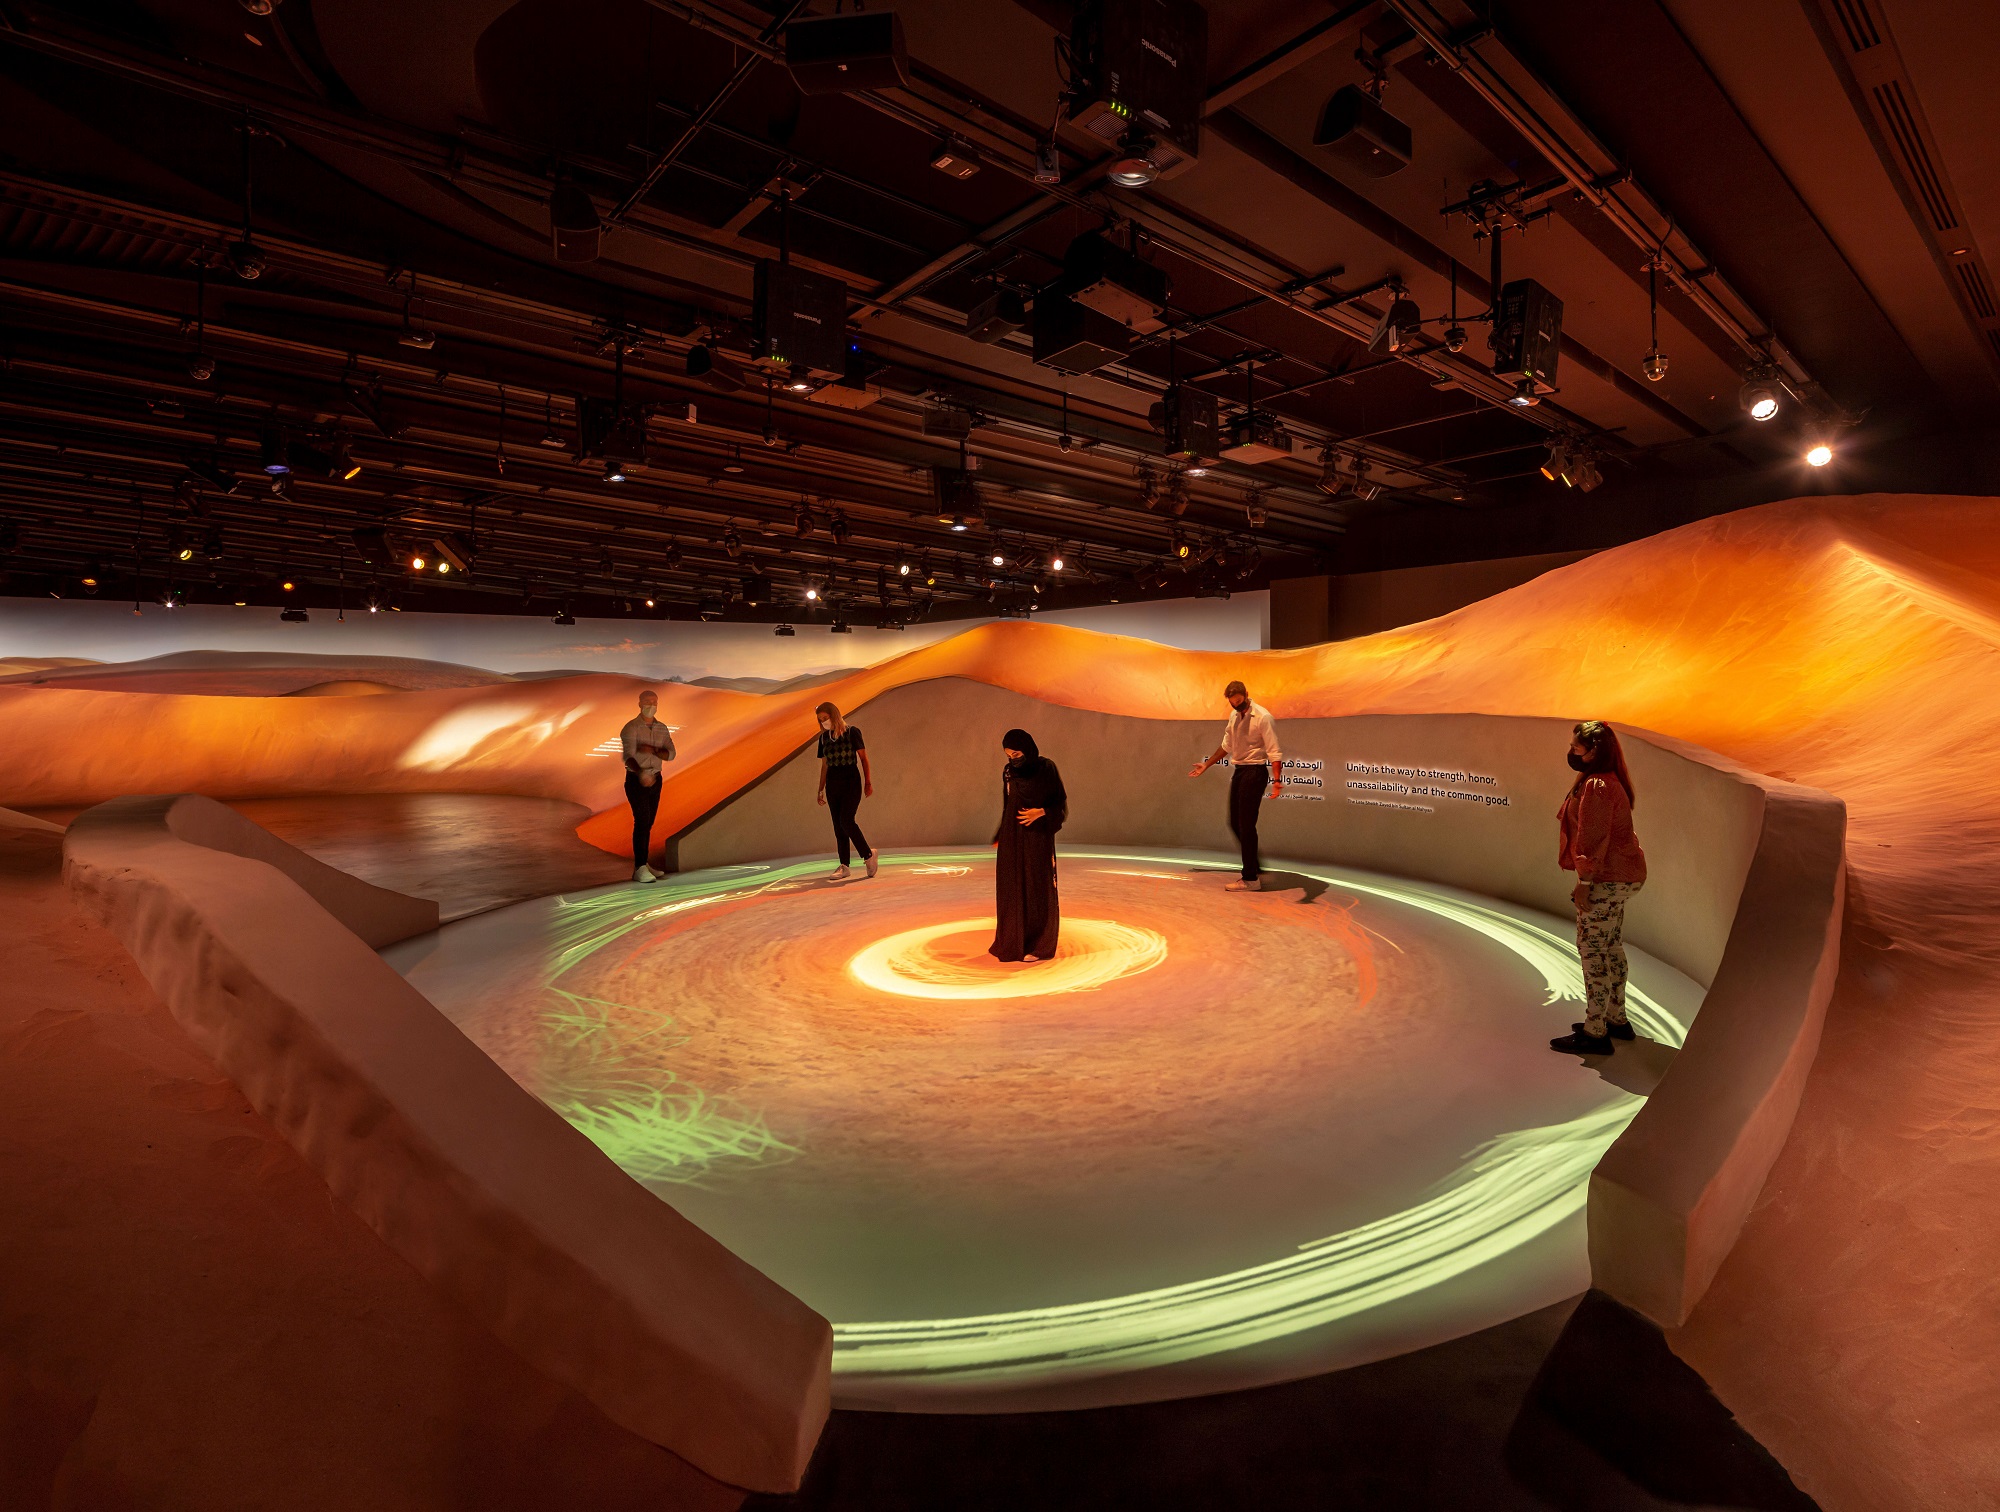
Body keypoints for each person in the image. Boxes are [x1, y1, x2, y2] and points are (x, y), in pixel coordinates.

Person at [1549, 719, 1647, 1055]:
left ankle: (1595, 1031)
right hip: (1621, 877)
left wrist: (1585, 883)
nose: (1571, 752)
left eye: (1576, 748)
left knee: (1592, 951)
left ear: (1593, 752)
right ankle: (1616, 1019)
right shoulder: (1607, 781)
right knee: (1610, 947)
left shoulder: (1597, 786)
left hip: (1606, 879)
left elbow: (1593, 838)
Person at [1189, 680, 1284, 891]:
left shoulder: (1263, 717)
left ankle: (1250, 879)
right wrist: (1206, 764)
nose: (1236, 706)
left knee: (1246, 825)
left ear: (1246, 695)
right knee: (1235, 822)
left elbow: (1274, 751)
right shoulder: (1234, 716)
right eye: (1232, 703)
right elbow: (1226, 746)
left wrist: (1277, 781)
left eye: (1239, 702)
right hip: (1241, 771)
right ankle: (1255, 867)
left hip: (1255, 772)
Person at [990, 728, 1066, 963]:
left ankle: (1039, 945)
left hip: (1036, 837)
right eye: (1008, 755)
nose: (1013, 759)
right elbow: (1008, 805)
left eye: (1016, 754)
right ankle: (1013, 942)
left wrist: (1041, 812)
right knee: (1012, 888)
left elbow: (1059, 803)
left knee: (1036, 887)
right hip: (1012, 838)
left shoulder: (1046, 768)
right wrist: (1001, 833)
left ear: (1028, 749)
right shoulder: (1008, 772)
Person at [814, 700, 877, 880]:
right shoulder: (823, 738)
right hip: (833, 783)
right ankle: (844, 866)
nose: (824, 722)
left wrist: (868, 782)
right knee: (838, 825)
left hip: (851, 780)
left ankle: (868, 855)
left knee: (846, 820)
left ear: (834, 715)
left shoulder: (852, 732)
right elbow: (825, 765)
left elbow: (863, 758)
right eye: (820, 719)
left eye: (825, 717)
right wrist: (820, 789)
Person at [619, 689, 676, 884]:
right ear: (639, 703)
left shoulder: (662, 728)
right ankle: (639, 868)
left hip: (656, 779)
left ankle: (644, 864)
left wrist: (652, 749)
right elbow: (628, 757)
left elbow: (671, 753)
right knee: (642, 821)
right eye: (647, 701)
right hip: (636, 780)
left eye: (654, 702)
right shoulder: (630, 728)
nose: (651, 705)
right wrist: (641, 773)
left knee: (649, 823)